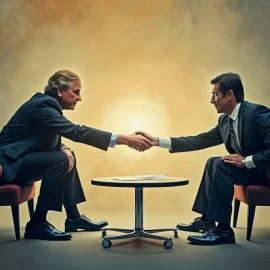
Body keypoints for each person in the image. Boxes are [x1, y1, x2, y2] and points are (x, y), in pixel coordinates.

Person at [0, 70, 153, 241]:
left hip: (19, 162)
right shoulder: (44, 106)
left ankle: (73, 218)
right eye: (76, 92)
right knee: (59, 160)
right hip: (8, 167)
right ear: (59, 91)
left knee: (67, 155)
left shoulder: (47, 106)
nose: (79, 97)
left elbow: (39, 137)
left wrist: (64, 148)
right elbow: (76, 131)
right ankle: (37, 224)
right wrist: (125, 139)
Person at [136, 72, 270, 245]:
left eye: (215, 95)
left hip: (264, 171)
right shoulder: (225, 121)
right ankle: (207, 220)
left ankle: (224, 231)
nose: (212, 100)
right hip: (253, 171)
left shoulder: (256, 114)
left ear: (229, 95)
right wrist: (156, 141)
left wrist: (245, 161)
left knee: (221, 164)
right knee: (213, 162)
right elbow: (199, 140)